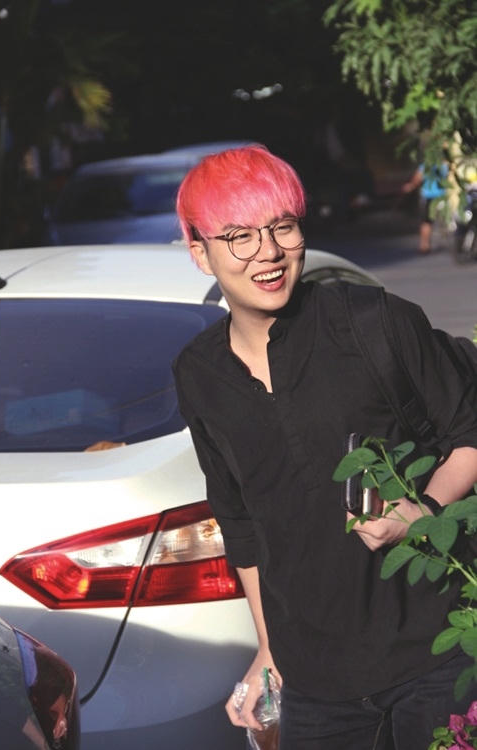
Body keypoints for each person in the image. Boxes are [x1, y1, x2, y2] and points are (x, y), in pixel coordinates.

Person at [172, 145, 477, 749]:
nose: (268, 252)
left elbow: (469, 429)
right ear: (200, 253)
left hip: (437, 656)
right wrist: (268, 649)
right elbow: (241, 523)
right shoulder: (198, 375)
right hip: (314, 684)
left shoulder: (372, 321)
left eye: (282, 227)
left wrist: (425, 512)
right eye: (239, 237)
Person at [401, 162, 448, 253]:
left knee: (426, 221)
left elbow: (418, 178)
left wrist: (411, 186)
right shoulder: (446, 165)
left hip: (429, 196)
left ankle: (424, 245)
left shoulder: (426, 165)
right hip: (444, 196)